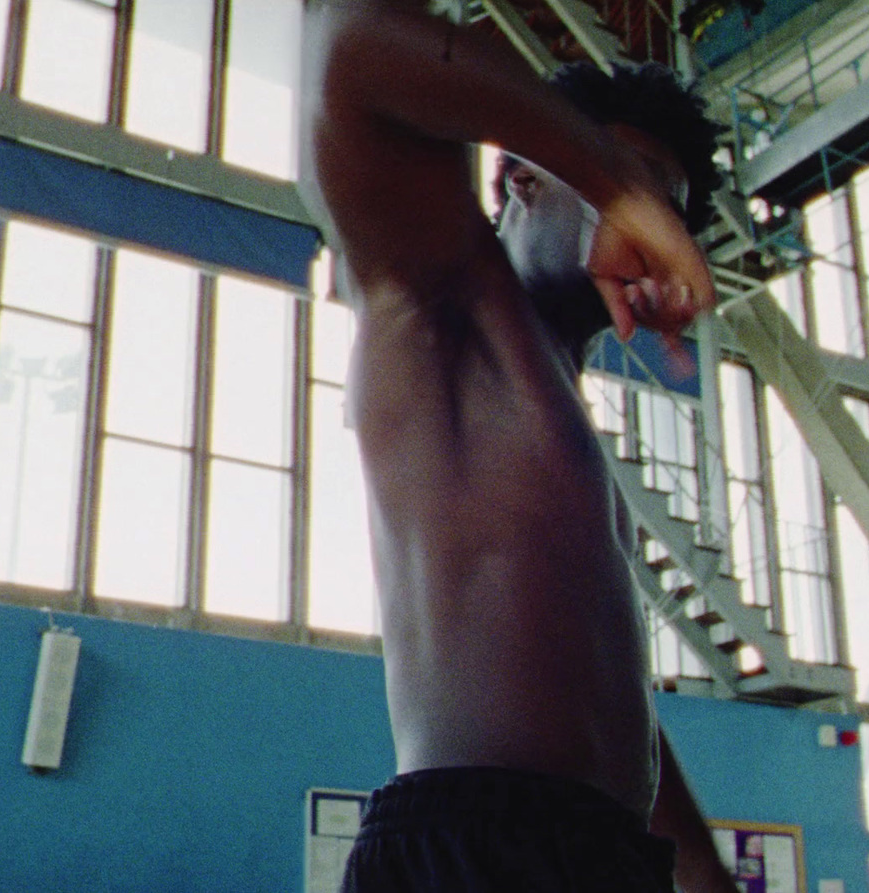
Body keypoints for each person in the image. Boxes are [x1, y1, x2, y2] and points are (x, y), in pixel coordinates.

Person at [299, 2, 740, 890]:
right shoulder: (436, 295)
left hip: (607, 854)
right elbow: (345, 44)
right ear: (523, 182)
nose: (656, 232)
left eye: (672, 213)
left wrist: (703, 874)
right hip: (474, 845)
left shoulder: (567, 421)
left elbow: (612, 718)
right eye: (644, 196)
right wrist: (615, 178)